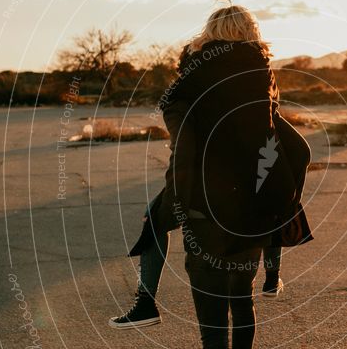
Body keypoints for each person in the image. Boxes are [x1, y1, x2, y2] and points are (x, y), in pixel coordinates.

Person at [117, 1, 312, 349]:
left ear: (209, 35)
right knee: (241, 306)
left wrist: (180, 205)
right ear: (251, 35)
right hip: (253, 216)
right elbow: (296, 150)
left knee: (210, 323)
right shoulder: (261, 78)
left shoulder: (190, 81)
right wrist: (281, 207)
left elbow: (183, 152)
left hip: (204, 213)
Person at [110, 27, 311, 328]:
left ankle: (146, 302)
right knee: (275, 194)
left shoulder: (194, 94)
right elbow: (300, 150)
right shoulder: (255, 84)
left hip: (208, 188)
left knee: (153, 217)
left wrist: (174, 198)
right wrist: (289, 189)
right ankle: (271, 278)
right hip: (251, 187)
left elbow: (184, 154)